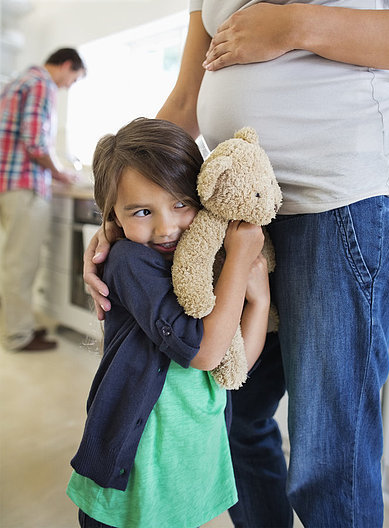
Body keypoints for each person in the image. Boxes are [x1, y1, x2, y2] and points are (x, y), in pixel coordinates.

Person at [84, 0, 389, 526]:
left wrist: (297, 26)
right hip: (236, 224)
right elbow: (186, 99)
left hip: (340, 205)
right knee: (233, 419)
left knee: (327, 460)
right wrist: (113, 212)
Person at [67, 117, 270, 528]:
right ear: (114, 219)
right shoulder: (130, 261)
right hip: (140, 470)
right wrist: (238, 260)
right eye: (142, 211)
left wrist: (260, 302)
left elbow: (232, 367)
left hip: (193, 461)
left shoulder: (202, 262)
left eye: (181, 203)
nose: (166, 227)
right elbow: (205, 352)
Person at [0, 47, 86, 351]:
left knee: (12, 262)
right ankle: (17, 336)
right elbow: (36, 143)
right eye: (72, 79)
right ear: (66, 65)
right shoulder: (42, 84)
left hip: (7, 185)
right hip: (25, 187)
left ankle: (16, 326)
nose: (67, 87)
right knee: (20, 265)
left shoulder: (18, 80)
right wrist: (61, 172)